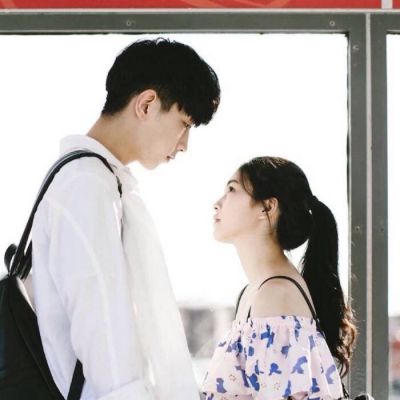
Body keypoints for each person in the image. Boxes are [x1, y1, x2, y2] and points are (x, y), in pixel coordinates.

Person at [30, 38, 220, 400]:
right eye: (184, 124)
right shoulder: (87, 184)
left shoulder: (91, 179)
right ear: (147, 104)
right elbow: (104, 334)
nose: (184, 144)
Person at [201, 156, 357, 400]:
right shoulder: (255, 292)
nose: (217, 204)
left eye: (232, 189)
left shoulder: (275, 295)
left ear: (267, 207)